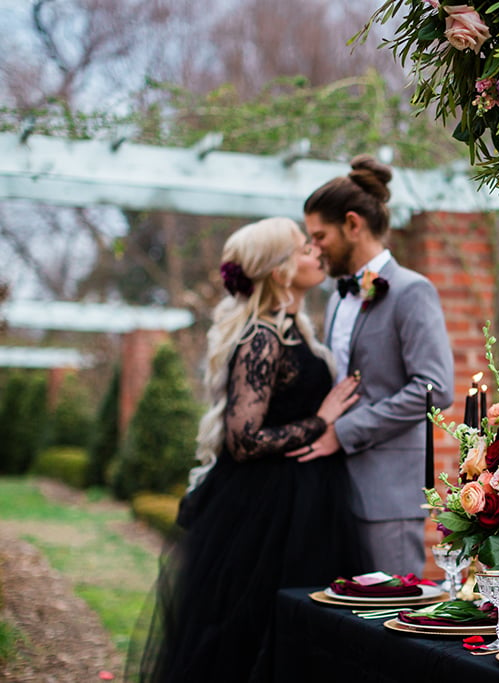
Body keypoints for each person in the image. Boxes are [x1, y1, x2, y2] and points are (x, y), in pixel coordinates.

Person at [128, 217, 361, 682]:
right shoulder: (262, 337)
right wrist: (322, 419)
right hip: (266, 512)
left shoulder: (294, 329)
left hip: (307, 500)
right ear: (279, 270)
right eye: (301, 248)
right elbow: (244, 438)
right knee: (254, 638)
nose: (315, 253)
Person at [297, 154, 454, 578]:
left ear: (353, 224)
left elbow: (435, 388)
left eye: (319, 236)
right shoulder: (335, 298)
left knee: (386, 616)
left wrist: (343, 432)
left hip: (387, 494)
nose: (314, 249)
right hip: (330, 486)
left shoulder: (412, 291)